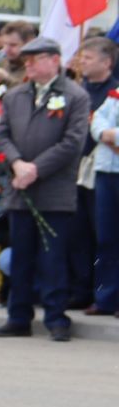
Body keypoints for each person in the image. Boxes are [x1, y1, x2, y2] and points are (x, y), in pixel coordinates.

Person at [0, 36, 91, 340]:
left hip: (54, 191)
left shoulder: (75, 96)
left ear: (54, 60)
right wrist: (17, 163)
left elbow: (73, 142)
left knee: (53, 258)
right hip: (20, 188)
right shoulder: (15, 95)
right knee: (21, 256)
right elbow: (2, 135)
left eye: (35, 59)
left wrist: (35, 168)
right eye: (27, 59)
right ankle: (18, 316)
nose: (29, 65)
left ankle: (56, 318)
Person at [65, 37, 116, 309]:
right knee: (78, 234)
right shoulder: (76, 90)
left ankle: (105, 294)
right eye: (82, 58)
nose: (82, 62)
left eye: (89, 58)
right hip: (75, 169)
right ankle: (80, 289)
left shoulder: (113, 92)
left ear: (106, 62)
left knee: (103, 235)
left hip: (103, 169)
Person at [88, 73, 119, 315]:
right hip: (106, 172)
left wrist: (113, 135)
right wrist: (103, 134)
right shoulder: (114, 95)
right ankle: (105, 298)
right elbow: (97, 120)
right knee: (106, 237)